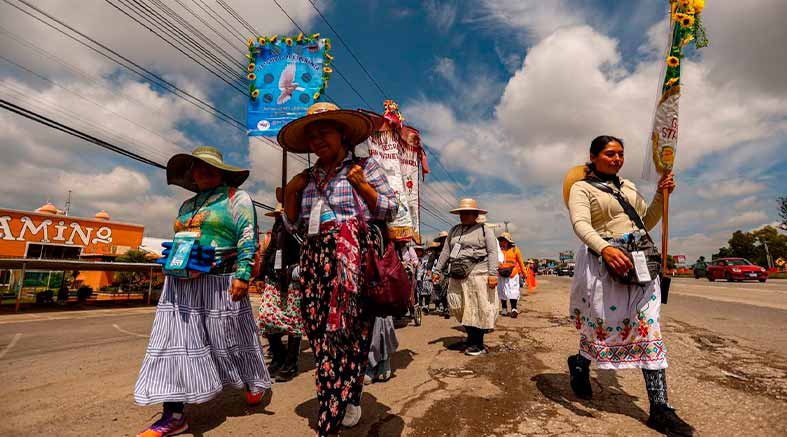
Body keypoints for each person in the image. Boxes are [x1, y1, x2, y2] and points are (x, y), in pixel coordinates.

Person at [279, 102, 398, 436]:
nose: (317, 140)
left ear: (343, 134)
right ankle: (341, 396)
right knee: (321, 341)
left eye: (324, 131)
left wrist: (364, 187)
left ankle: (331, 414)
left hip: (354, 263)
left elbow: (391, 209)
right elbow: (293, 226)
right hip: (315, 263)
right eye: (311, 136)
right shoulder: (306, 178)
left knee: (350, 340)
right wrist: (291, 192)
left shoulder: (365, 166)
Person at [134, 146, 272, 437]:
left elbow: (248, 236)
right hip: (181, 282)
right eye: (197, 166)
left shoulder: (236, 197)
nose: (203, 171)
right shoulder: (186, 205)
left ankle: (252, 381)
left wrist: (243, 275)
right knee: (174, 344)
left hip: (222, 280)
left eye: (210, 166)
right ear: (191, 174)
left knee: (230, 340)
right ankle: (174, 415)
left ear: (221, 172)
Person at [566, 135, 692, 436]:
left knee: (649, 327)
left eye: (620, 154)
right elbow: (581, 224)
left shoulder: (629, 187)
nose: (617, 159)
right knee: (602, 327)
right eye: (610, 153)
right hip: (604, 264)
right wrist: (605, 249)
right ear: (594, 156)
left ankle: (660, 408)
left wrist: (661, 195)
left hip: (640, 262)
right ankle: (580, 364)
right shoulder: (581, 188)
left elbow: (645, 222)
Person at [432, 199, 499, 356]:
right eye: (462, 213)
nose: (463, 216)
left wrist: (492, 274)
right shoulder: (454, 230)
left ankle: (477, 343)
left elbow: (492, 252)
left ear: (475, 215)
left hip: (478, 273)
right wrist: (437, 270)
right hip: (457, 274)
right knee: (460, 306)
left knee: (478, 308)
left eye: (467, 213)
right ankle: (470, 339)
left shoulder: (485, 230)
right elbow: (446, 252)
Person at [258, 202, 305, 382]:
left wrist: (296, 270)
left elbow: (303, 247)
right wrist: (264, 271)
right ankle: (279, 356)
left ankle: (291, 363)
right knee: (267, 317)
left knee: (292, 320)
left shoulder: (300, 225)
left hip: (292, 276)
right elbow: (271, 249)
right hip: (274, 275)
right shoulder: (277, 225)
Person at [496, 232, 527, 318]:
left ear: (508, 241)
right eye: (501, 240)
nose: (502, 242)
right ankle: (504, 308)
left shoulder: (515, 250)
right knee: (502, 291)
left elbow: (521, 263)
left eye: (503, 240)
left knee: (513, 291)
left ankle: (514, 309)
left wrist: (524, 273)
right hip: (501, 274)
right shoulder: (498, 251)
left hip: (512, 274)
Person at [428, 232, 450, 318]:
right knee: (443, 289)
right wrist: (429, 269)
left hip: (453, 270)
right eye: (442, 239)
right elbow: (431, 260)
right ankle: (445, 308)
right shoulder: (436, 250)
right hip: (442, 271)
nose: (444, 240)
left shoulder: (452, 247)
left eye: (445, 238)